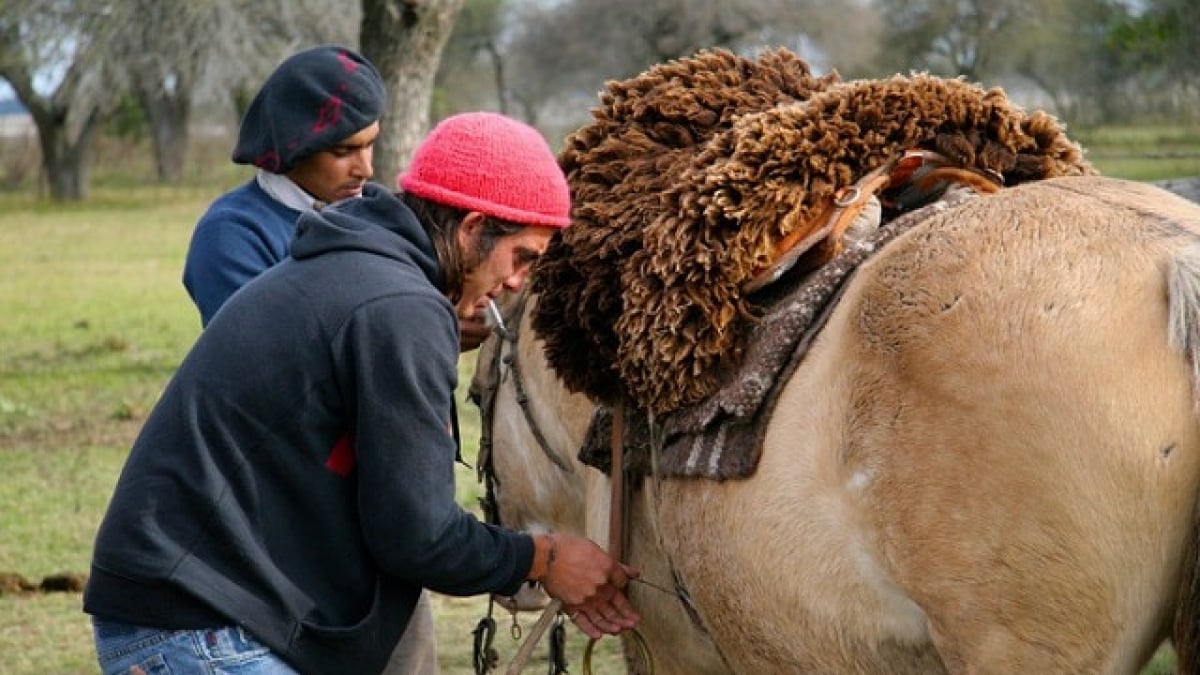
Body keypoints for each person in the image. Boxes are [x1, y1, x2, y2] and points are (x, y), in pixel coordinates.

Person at [84, 111, 640, 675]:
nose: (519, 282)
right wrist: (544, 559)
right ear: (472, 228)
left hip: (184, 616)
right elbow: (418, 536)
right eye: (522, 256)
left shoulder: (363, 276)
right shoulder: (398, 307)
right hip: (204, 629)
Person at [180, 43, 492, 350]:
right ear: (294, 147)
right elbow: (261, 352)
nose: (365, 169)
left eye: (370, 145)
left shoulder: (376, 213)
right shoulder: (232, 234)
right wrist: (418, 333)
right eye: (343, 151)